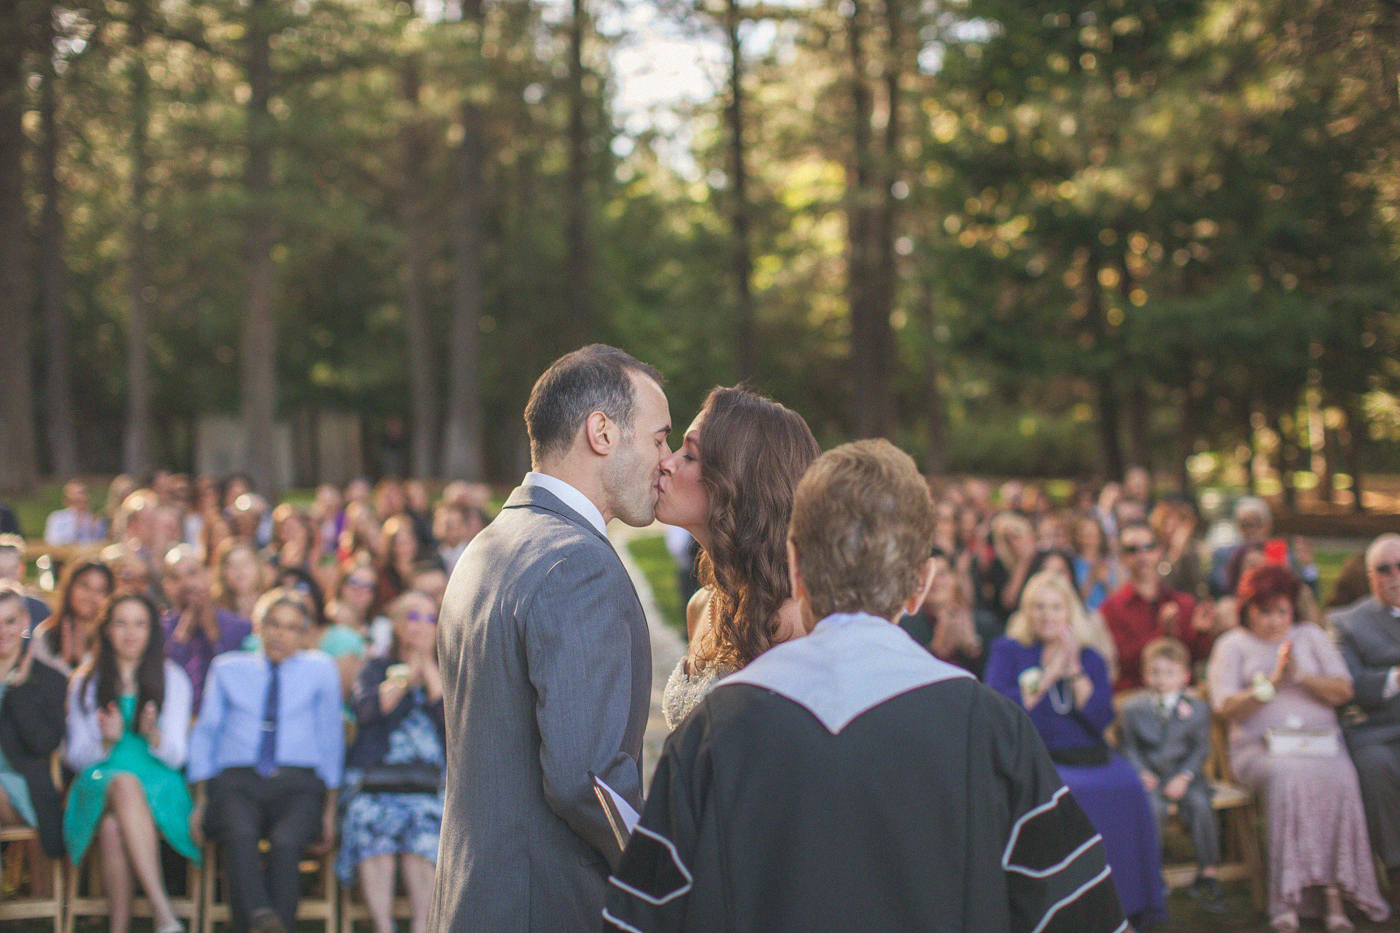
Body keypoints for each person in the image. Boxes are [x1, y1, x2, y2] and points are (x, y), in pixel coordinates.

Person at [604, 440, 1124, 933]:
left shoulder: (716, 728)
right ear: (921, 583)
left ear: (796, 565)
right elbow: (1073, 911)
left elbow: (645, 914)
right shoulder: (990, 728)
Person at [429, 344, 669, 933]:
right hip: (545, 905)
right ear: (602, 433)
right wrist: (663, 875)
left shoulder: (489, 544)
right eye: (660, 438)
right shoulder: (576, 563)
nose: (665, 461)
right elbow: (586, 777)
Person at [1207, 563, 1386, 932]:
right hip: (1261, 751)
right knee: (1291, 777)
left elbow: (1343, 691)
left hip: (1321, 746)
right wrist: (1271, 684)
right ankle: (1289, 895)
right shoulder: (1232, 645)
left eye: (1282, 612)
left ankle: (1334, 894)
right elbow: (1225, 707)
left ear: (1293, 609)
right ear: (1247, 609)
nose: (1274, 621)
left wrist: (1301, 677)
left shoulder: (1311, 636)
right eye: (1265, 612)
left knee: (1341, 776)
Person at [984, 569, 1167, 927]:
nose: (1047, 616)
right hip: (1037, 754)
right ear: (1026, 611)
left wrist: (1073, 670)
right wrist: (1048, 675)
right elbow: (1000, 714)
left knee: (1128, 786)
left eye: (1056, 607)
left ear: (1069, 612)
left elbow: (1100, 719)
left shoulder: (1089, 656)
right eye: (1039, 607)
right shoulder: (1009, 650)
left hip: (1087, 751)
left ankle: (1126, 900)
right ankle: (1072, 903)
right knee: (1073, 791)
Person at [654, 385, 820, 728]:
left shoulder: (797, 622)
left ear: (737, 482)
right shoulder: (701, 605)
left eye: (689, 456)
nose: (666, 463)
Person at [188, 588, 345, 933]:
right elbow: (207, 733)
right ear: (258, 627)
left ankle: (261, 921)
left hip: (298, 782)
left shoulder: (320, 669)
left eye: (291, 627)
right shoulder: (227, 668)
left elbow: (330, 738)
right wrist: (200, 800)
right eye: (273, 624)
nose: (280, 634)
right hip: (237, 781)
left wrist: (330, 810)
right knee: (239, 831)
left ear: (304, 635)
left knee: (287, 840)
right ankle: (265, 918)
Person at [64, 594, 198, 933]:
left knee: (113, 828)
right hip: (100, 777)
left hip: (157, 779)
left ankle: (119, 928)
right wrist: (105, 741)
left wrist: (154, 736)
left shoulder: (173, 678)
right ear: (107, 629)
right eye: (121, 623)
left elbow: (178, 756)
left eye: (139, 624)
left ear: (151, 631)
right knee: (123, 782)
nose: (130, 633)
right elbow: (74, 757)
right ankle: (163, 913)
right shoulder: (85, 680)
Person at [337, 591, 445, 933]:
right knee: (370, 818)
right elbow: (368, 711)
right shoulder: (376, 666)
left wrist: (428, 668)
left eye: (430, 618)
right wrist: (405, 676)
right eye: (413, 616)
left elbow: (453, 723)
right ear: (397, 625)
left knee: (424, 821)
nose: (421, 625)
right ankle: (383, 927)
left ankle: (422, 926)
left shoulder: (448, 669)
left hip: (430, 786)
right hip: (375, 782)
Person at [1118, 637, 1224, 912]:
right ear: (1145, 675)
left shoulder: (1197, 709)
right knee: (1150, 808)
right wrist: (1141, 772)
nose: (1161, 679)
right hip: (1151, 777)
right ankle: (1153, 872)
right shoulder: (1133, 709)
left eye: (1169, 673)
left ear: (1184, 676)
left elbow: (1201, 747)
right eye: (1155, 672)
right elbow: (1128, 747)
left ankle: (1208, 871)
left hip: (1185, 776)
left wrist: (1185, 775)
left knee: (1200, 805)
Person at [1333, 533, 1400, 904]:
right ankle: (1396, 868)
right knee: (1376, 767)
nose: (1395, 576)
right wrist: (1395, 678)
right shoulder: (1348, 622)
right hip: (1376, 730)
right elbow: (1350, 685)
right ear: (1370, 576)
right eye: (1384, 569)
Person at [1100, 521, 1215, 692]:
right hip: (1135, 695)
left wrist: (1202, 633)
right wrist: (1162, 632)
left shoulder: (1183, 602)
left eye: (1148, 547)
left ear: (1159, 551)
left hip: (1181, 695)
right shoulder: (1111, 608)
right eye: (1132, 550)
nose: (1142, 556)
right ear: (1122, 557)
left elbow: (1197, 657)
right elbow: (1123, 661)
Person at [0, 584, 68, 860]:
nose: (3, 631)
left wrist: (18, 692)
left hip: (26, 785)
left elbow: (44, 744)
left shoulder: (50, 679)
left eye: (10, 621)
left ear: (25, 621)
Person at [161, 545, 253, 715]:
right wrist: (182, 635)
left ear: (208, 575)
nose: (186, 584)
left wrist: (213, 635)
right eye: (176, 578)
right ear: (166, 586)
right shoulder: (160, 629)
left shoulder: (240, 627)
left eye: (192, 573)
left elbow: (239, 681)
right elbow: (164, 678)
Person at [898, 547, 984, 675]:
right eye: (928, 577)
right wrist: (936, 649)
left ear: (955, 577)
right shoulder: (904, 628)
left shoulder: (984, 624)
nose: (936, 582)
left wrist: (973, 649)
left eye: (942, 574)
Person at [31, 557, 114, 676]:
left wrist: (82, 660)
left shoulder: (112, 639)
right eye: (85, 586)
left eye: (100, 590)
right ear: (70, 587)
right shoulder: (44, 636)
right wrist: (65, 662)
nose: (91, 595)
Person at [44, 479, 106, 545]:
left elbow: (101, 541)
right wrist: (76, 523)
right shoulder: (57, 517)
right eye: (76, 494)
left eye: (83, 493)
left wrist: (94, 528)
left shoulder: (95, 518)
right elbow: (52, 541)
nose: (81, 497)